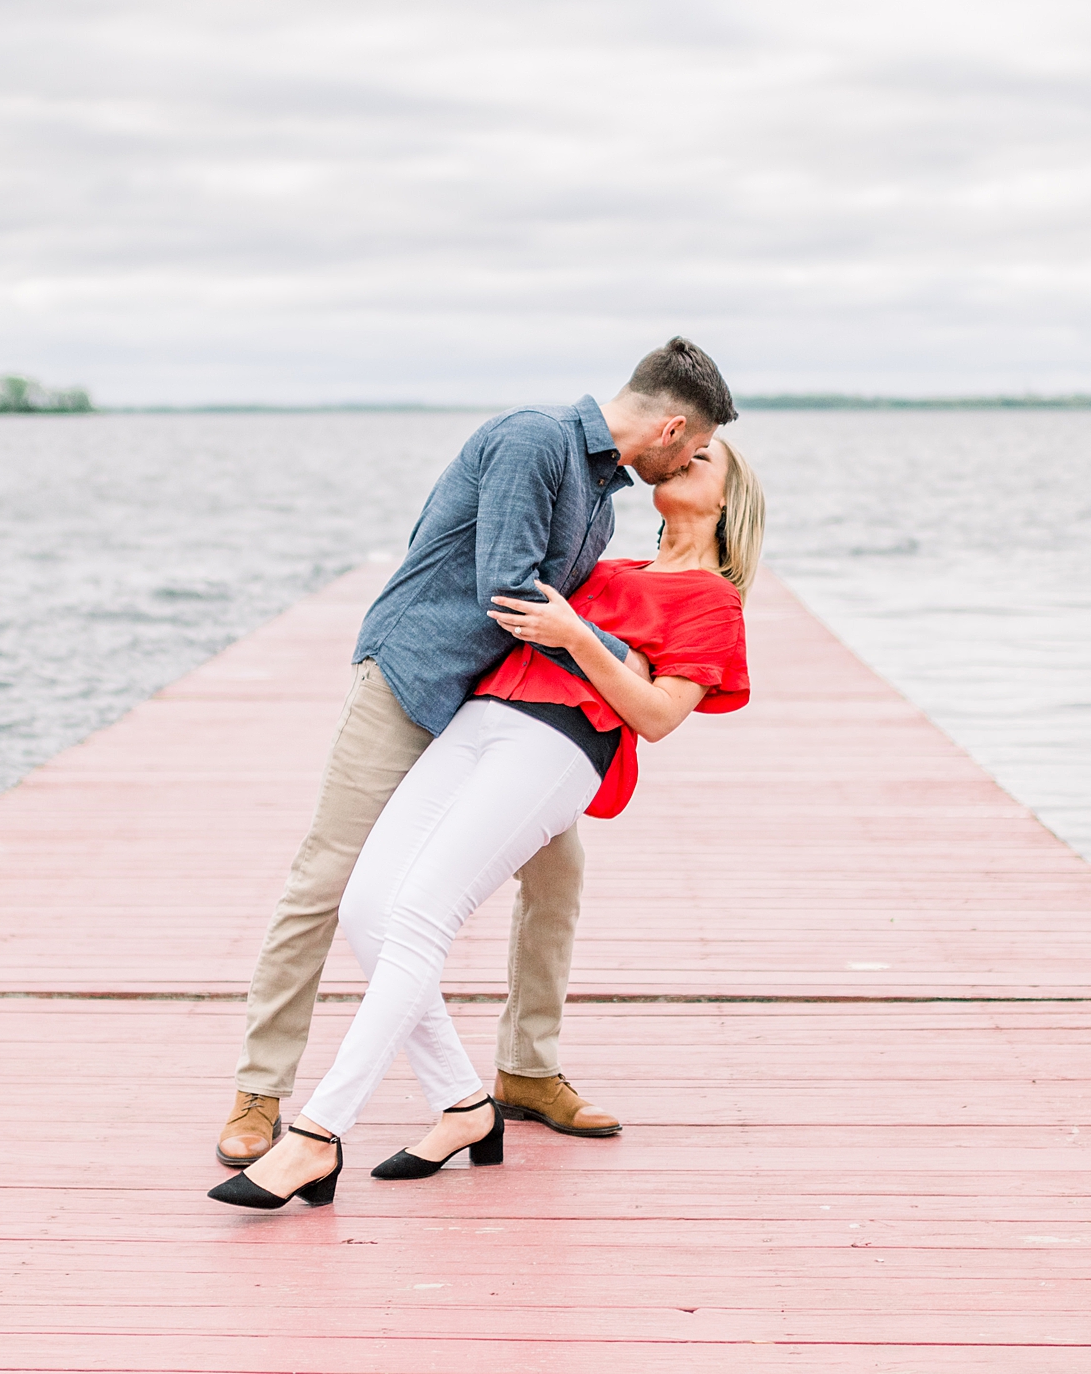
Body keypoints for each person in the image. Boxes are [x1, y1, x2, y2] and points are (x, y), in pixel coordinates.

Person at [215, 338, 739, 1169]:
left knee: (557, 877)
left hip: (491, 709)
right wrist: (629, 660)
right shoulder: (537, 440)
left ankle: (525, 1072)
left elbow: (571, 612)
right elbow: (509, 583)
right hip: (416, 681)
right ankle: (261, 1089)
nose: (687, 462)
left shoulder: (601, 502)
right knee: (328, 880)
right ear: (673, 428)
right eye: (696, 445)